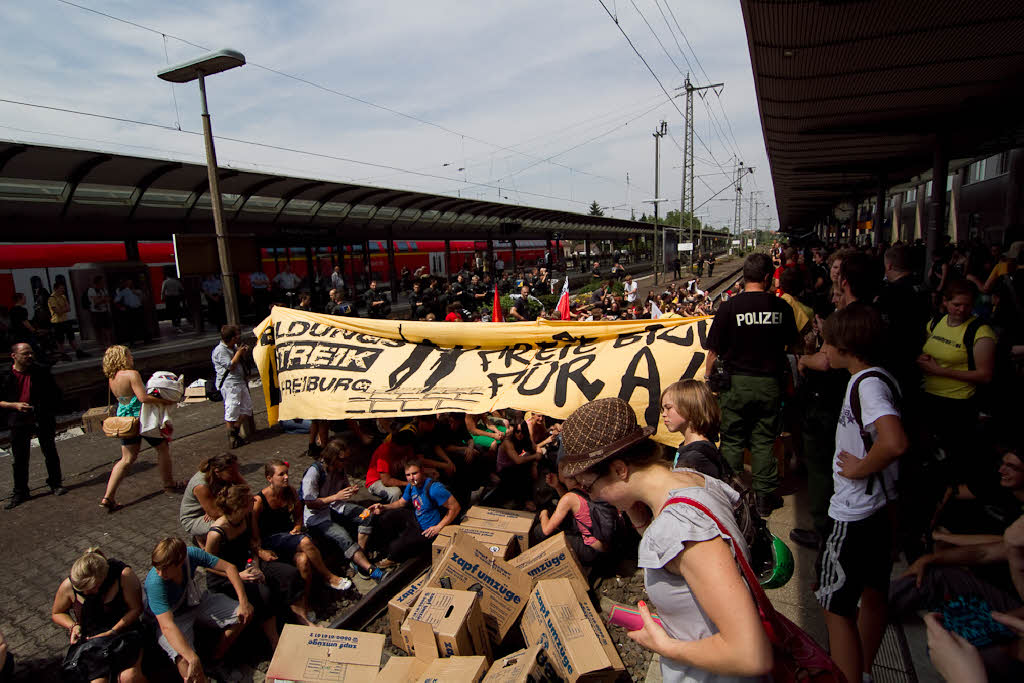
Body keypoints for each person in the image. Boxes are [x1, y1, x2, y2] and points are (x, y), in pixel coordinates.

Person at [559, 398, 773, 680]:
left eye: (589, 486)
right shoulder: (691, 478)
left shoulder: (679, 528)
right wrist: (638, 518)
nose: (593, 497)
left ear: (620, 469)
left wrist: (665, 646)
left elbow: (750, 654)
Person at [815, 303, 909, 683]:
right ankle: (866, 671)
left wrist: (859, 467)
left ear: (846, 348)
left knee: (833, 605)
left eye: (828, 345)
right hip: (880, 508)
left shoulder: (866, 385)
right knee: (873, 594)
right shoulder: (881, 378)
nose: (824, 350)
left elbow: (894, 442)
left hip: (854, 511)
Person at [703, 253, 798, 516]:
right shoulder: (782, 308)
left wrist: (708, 381)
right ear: (768, 278)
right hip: (769, 385)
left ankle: (730, 496)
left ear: (745, 277)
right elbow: (795, 346)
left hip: (735, 386)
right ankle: (765, 497)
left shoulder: (728, 308)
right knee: (764, 441)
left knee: (731, 440)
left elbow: (712, 353)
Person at [205, 485, 311, 645]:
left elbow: (254, 543)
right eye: (249, 499)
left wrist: (255, 564)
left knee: (290, 574)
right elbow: (208, 565)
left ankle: (301, 618)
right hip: (225, 576)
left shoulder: (246, 518)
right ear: (239, 505)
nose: (254, 500)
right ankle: (274, 640)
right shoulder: (216, 533)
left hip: (248, 564)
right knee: (263, 593)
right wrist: (239, 575)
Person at [918, 279, 996, 483]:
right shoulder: (936, 322)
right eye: (956, 305)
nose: (962, 310)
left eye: (967, 305)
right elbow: (927, 349)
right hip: (930, 396)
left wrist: (940, 371)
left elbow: (984, 374)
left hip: (958, 403)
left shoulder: (980, 332)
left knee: (954, 456)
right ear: (945, 302)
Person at [145, 537, 253, 683]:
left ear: (181, 561)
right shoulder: (155, 583)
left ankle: (216, 660)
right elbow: (167, 626)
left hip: (195, 602)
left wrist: (243, 601)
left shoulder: (192, 554)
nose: (159, 573)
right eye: (157, 568)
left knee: (245, 613)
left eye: (164, 569)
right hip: (172, 619)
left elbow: (229, 568)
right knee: (185, 660)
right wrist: (192, 657)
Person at [253, 460, 353, 613]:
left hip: (287, 537)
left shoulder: (290, 492)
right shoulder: (259, 501)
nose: (286, 477)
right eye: (281, 474)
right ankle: (328, 577)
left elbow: (299, 514)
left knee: (303, 561)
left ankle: (305, 604)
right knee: (305, 541)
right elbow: (252, 532)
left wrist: (298, 526)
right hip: (270, 541)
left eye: (286, 473)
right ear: (269, 478)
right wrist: (259, 550)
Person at [99, 346, 181, 512]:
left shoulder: (111, 377)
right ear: (122, 357)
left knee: (127, 459)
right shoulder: (132, 374)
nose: (132, 357)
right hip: (143, 420)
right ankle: (169, 484)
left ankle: (108, 497)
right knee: (162, 449)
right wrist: (165, 401)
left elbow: (124, 399)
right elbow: (142, 398)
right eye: (129, 354)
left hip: (125, 420)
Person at [50, 548, 145, 683]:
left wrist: (112, 631)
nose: (87, 593)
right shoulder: (69, 585)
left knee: (129, 677)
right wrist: (74, 626)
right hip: (92, 641)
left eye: (92, 588)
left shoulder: (123, 576)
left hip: (124, 633)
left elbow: (136, 609)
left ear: (103, 578)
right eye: (82, 590)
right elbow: (57, 613)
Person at [302, 439, 386, 581]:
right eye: (343, 459)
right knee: (343, 536)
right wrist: (336, 496)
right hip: (317, 516)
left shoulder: (339, 468)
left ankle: (360, 555)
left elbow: (343, 487)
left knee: (366, 515)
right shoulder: (314, 473)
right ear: (333, 458)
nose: (346, 462)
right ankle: (370, 569)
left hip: (336, 507)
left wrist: (350, 489)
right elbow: (310, 502)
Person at [2, 343, 65, 508]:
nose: (30, 356)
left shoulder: (41, 372)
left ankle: (55, 483)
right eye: (25, 354)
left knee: (49, 451)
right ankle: (20, 492)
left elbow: (56, 393)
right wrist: (14, 405)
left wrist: (48, 408)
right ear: (14, 356)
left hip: (41, 417)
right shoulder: (6, 376)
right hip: (18, 419)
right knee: (20, 458)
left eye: (31, 353)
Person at [369, 458, 460, 562]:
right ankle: (383, 545)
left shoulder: (434, 488)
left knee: (395, 549)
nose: (411, 478)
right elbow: (401, 502)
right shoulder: (412, 486)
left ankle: (393, 557)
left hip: (426, 529)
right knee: (386, 517)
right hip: (417, 517)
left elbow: (455, 507)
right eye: (408, 475)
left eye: (414, 473)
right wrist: (384, 507)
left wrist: (439, 527)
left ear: (422, 471)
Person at [660, 380, 731, 481]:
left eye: (668, 408)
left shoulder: (695, 458)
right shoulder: (690, 447)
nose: (664, 414)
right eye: (663, 409)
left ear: (690, 407)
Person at [179, 453, 247, 548]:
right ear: (217, 472)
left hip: (215, 506)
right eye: (232, 473)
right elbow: (216, 514)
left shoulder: (230, 471)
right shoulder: (201, 485)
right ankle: (208, 549)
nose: (236, 475)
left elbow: (245, 490)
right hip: (195, 517)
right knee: (229, 524)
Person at [212, 325, 254, 449]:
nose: (238, 338)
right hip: (230, 384)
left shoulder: (234, 347)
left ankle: (234, 430)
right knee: (232, 409)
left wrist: (242, 353)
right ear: (231, 338)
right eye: (236, 336)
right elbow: (230, 366)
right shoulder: (220, 351)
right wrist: (238, 353)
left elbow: (240, 361)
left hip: (240, 381)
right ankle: (232, 437)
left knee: (247, 408)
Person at [366, 428, 414, 503]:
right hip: (376, 481)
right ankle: (394, 512)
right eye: (404, 449)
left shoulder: (408, 448)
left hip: (395, 476)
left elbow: (414, 464)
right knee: (395, 492)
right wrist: (407, 484)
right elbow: (386, 481)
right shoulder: (385, 452)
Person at [47, 282, 86, 359]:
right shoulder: (52, 298)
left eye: (63, 288)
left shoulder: (63, 297)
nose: (63, 290)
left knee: (71, 337)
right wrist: (63, 309)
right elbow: (58, 312)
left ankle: (78, 351)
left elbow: (69, 308)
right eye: (61, 288)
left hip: (65, 320)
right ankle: (63, 354)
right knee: (60, 340)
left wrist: (62, 309)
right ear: (56, 289)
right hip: (57, 322)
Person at [113, 279, 145, 347]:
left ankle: (145, 338)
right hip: (130, 309)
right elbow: (116, 300)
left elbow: (143, 298)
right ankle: (132, 341)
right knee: (131, 326)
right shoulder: (123, 291)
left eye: (131, 283)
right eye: (128, 283)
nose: (130, 284)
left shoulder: (138, 290)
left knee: (141, 323)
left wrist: (138, 294)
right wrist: (121, 307)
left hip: (138, 308)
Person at [86, 276, 113, 348]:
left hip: (104, 311)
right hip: (96, 312)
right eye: (101, 282)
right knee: (99, 329)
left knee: (107, 328)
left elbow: (108, 298)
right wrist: (103, 299)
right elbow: (96, 302)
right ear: (97, 283)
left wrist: (101, 299)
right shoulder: (91, 290)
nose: (103, 284)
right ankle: (101, 344)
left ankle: (109, 342)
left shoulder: (103, 290)